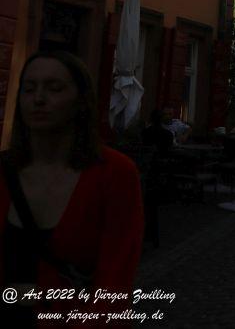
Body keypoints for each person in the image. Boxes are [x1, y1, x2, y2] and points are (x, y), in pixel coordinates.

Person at [1, 51, 144, 326]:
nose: (38, 98)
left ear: (81, 101)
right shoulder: (3, 171)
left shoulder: (116, 174)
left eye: (54, 88)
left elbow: (114, 286)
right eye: (29, 89)